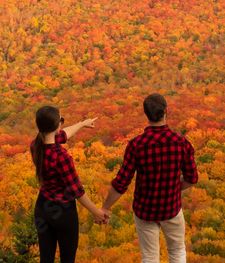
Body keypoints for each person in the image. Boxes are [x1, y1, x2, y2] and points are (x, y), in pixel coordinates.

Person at [101, 93, 198, 263]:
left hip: (144, 210)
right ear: (167, 111)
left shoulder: (136, 145)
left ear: (146, 114)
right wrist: (175, 187)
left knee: (149, 257)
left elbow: (121, 183)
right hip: (172, 209)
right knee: (177, 251)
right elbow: (191, 178)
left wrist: (105, 208)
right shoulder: (181, 142)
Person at [29, 105, 109, 263]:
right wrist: (96, 212)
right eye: (61, 120)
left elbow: (63, 135)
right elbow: (76, 191)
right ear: (58, 125)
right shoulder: (61, 156)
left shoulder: (35, 145)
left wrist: (82, 124)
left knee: (46, 259)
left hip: (42, 208)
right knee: (67, 259)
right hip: (63, 213)